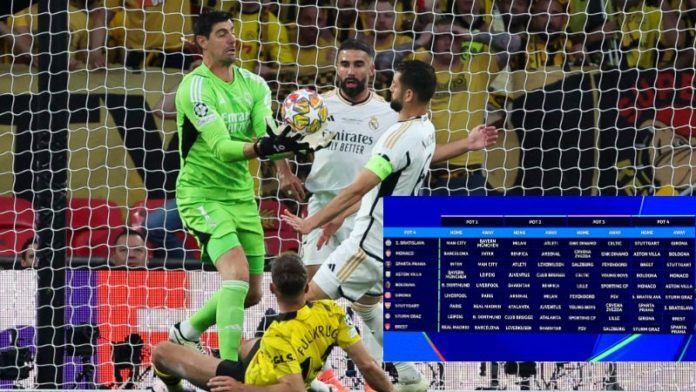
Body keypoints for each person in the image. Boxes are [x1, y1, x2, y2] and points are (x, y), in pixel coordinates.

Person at [283, 60, 498, 392]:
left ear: (408, 93)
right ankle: (410, 376)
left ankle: (313, 384)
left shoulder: (395, 137)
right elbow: (382, 188)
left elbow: (359, 186)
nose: (390, 89)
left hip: (367, 247)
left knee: (305, 302)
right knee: (366, 307)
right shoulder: (426, 128)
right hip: (390, 239)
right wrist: (339, 218)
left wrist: (312, 221)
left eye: (395, 85)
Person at [169, 11, 308, 362]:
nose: (233, 39)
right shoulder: (195, 86)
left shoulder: (255, 84)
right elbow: (220, 147)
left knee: (252, 294)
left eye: (232, 32)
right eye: (221, 34)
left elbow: (267, 131)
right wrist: (260, 149)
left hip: (243, 197)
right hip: (201, 195)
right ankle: (228, 367)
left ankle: (185, 333)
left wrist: (282, 168)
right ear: (201, 42)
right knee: (236, 274)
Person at [151, 253, 395, 392]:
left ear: (272, 288)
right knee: (243, 345)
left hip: (250, 381)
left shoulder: (277, 336)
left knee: (161, 352)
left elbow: (293, 389)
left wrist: (240, 388)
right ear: (307, 286)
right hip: (279, 361)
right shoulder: (333, 312)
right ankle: (318, 386)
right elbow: (369, 367)